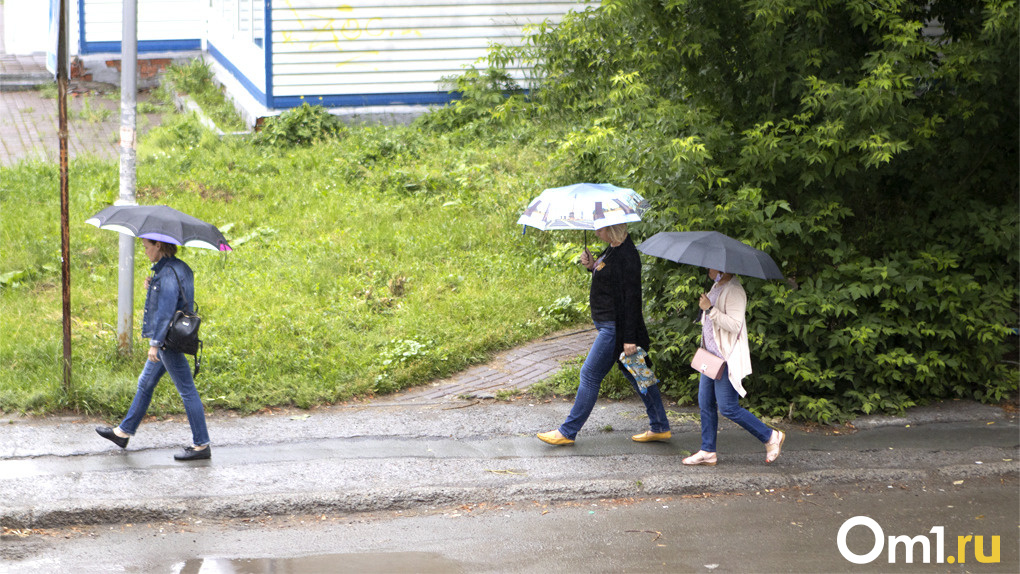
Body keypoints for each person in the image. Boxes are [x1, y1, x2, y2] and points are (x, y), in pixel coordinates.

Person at [537, 223, 671, 446]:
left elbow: (632, 301)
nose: (597, 232)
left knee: (589, 375)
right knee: (638, 374)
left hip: (615, 329)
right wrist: (592, 266)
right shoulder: (612, 248)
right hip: (609, 325)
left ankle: (567, 432)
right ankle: (660, 426)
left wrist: (629, 338)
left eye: (601, 228)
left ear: (614, 229)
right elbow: (610, 279)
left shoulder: (628, 256)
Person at [96, 238, 211, 461]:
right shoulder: (179, 268)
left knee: (187, 391)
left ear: (158, 245)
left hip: (167, 340)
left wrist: (155, 344)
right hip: (176, 335)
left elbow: (166, 312)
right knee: (146, 382)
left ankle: (201, 445)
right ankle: (123, 432)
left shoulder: (167, 274)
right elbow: (182, 299)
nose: (145, 251)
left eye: (147, 246)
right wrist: (153, 286)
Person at [682, 269, 784, 466]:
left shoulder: (735, 290)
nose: (708, 268)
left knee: (728, 407)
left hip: (726, 358)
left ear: (722, 267)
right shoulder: (717, 285)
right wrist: (704, 310)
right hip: (711, 356)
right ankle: (707, 450)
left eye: (711, 265)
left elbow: (735, 325)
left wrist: (710, 309)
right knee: (705, 403)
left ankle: (771, 436)